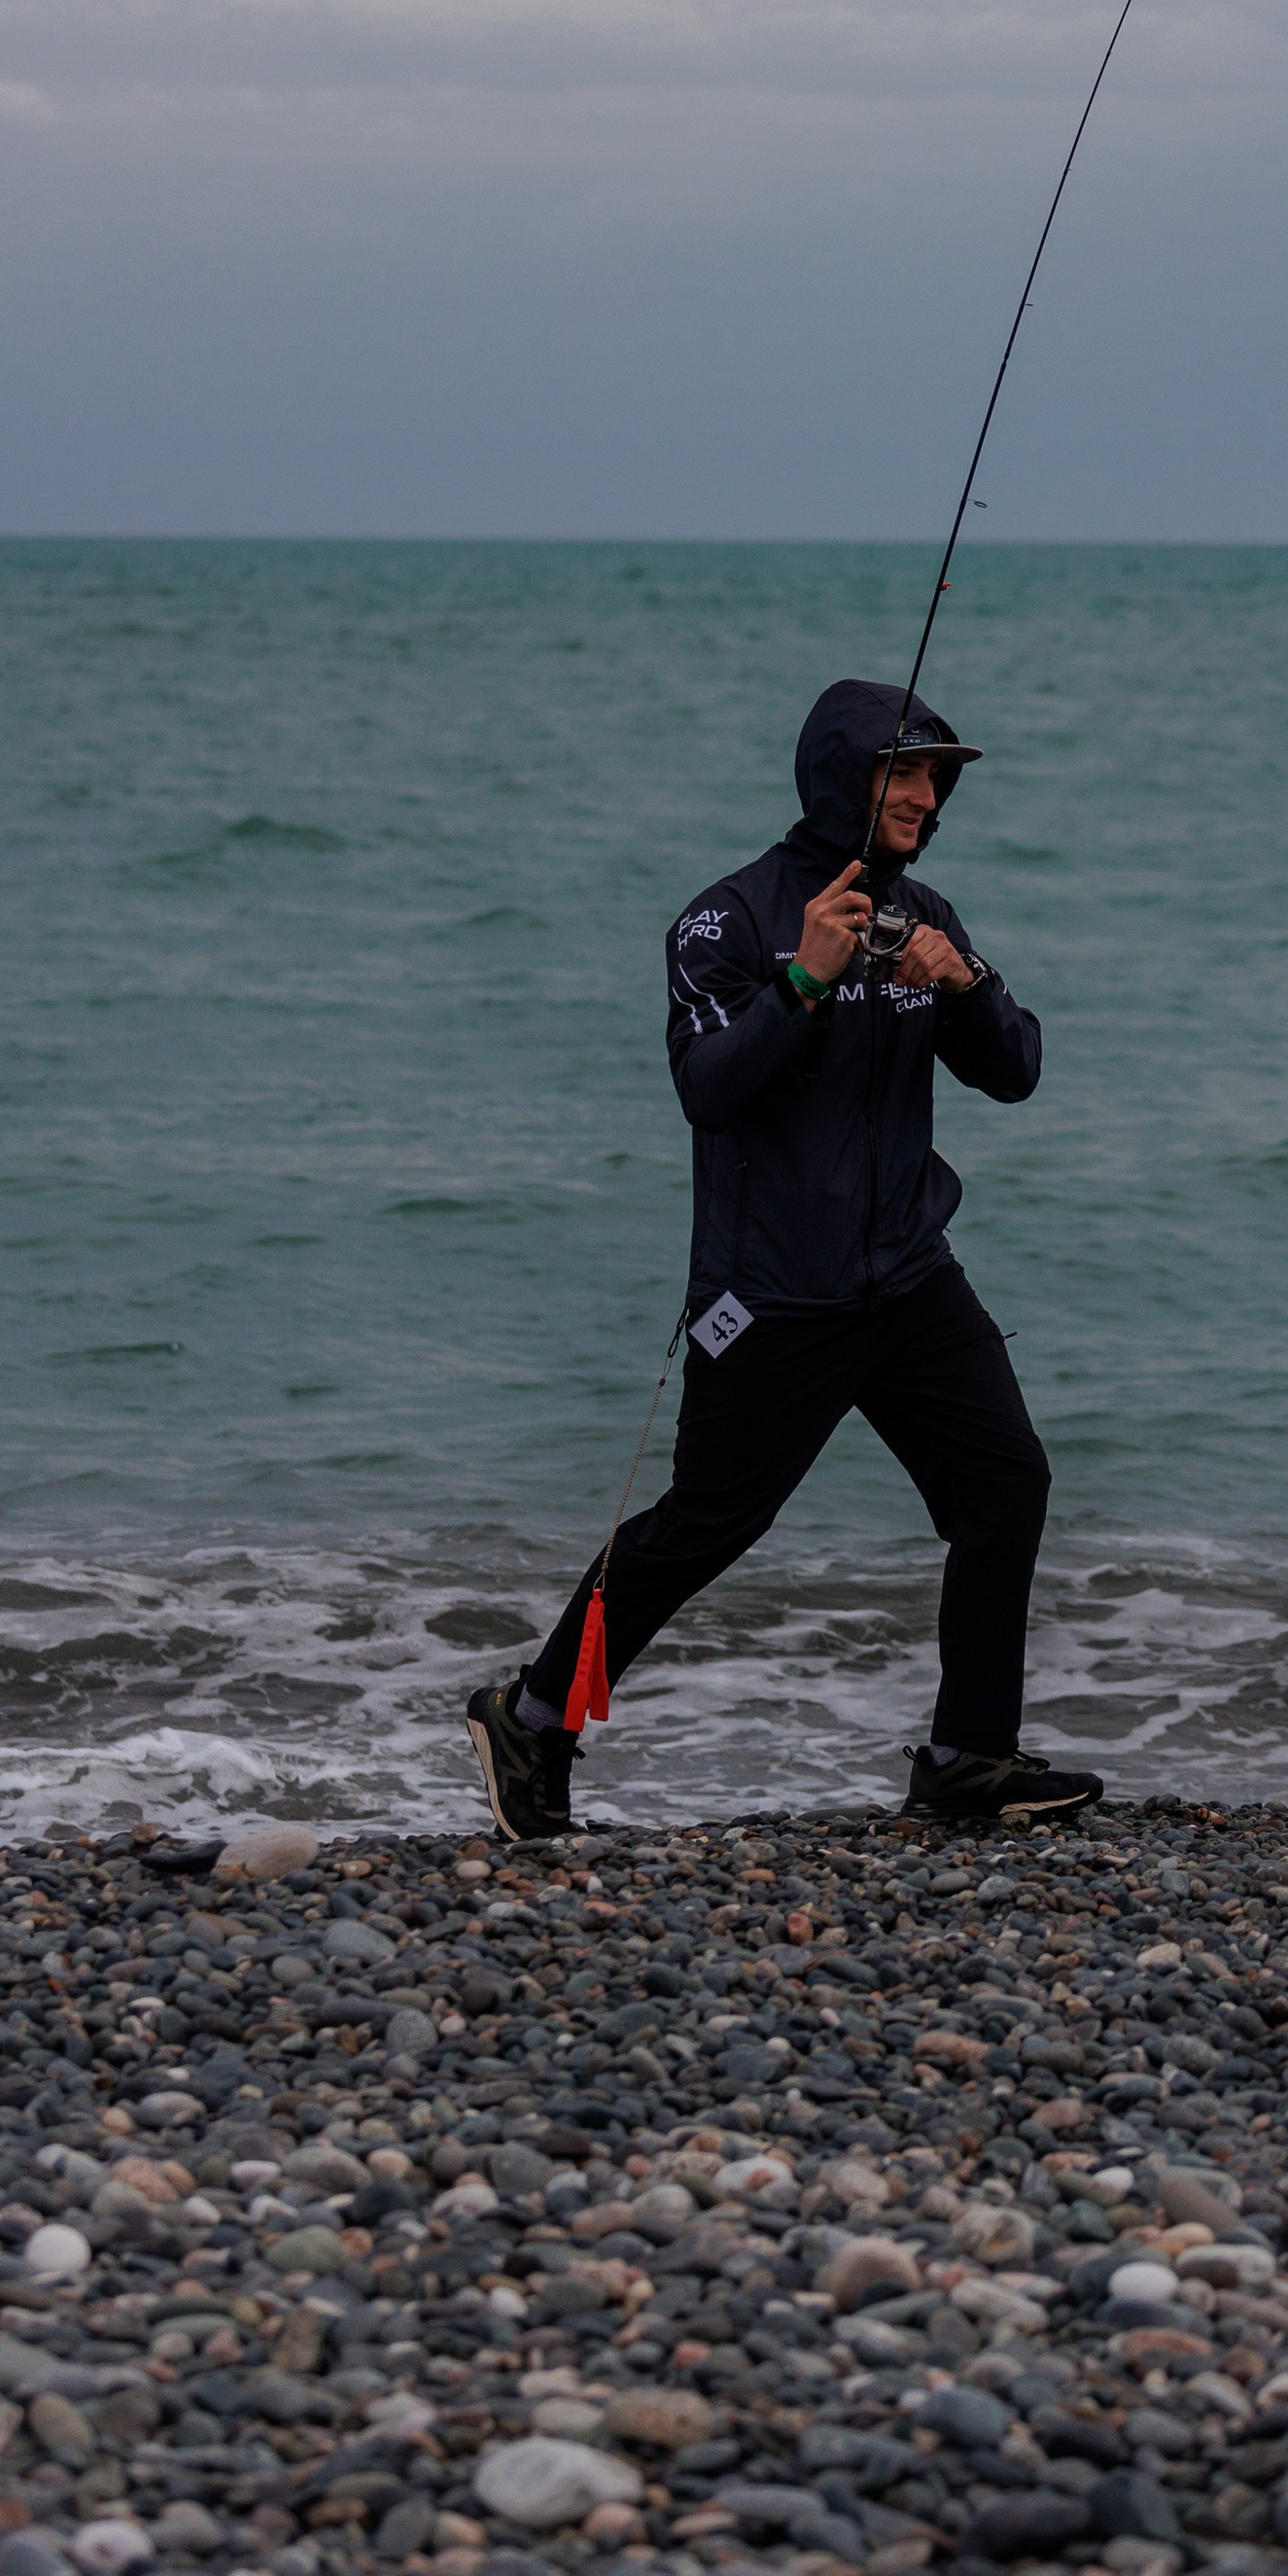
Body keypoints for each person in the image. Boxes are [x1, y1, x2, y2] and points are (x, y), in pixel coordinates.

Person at [465, 677, 1103, 1841]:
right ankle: (532, 1716)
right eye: (902, 771)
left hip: (909, 1278)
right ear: (841, 776)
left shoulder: (924, 914)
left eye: (935, 777)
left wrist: (963, 984)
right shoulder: (724, 923)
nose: (924, 795)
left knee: (1004, 1488)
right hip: (772, 1298)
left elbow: (1014, 1071)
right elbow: (708, 1093)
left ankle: (968, 1757)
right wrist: (802, 979)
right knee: (704, 1528)